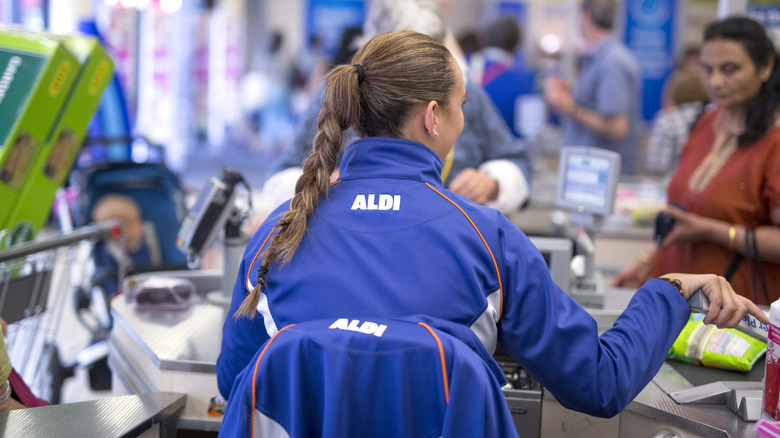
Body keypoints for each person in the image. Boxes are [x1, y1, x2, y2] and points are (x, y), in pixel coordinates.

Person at [217, 30, 766, 427]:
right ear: (434, 117)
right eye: (460, 107)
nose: (460, 120)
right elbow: (599, 385)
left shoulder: (278, 234)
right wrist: (668, 292)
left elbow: (236, 386)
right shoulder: (485, 236)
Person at [262, 0, 532, 215]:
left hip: (444, 238)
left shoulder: (461, 92)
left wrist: (493, 182)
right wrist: (320, 184)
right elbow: (280, 177)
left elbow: (517, 160)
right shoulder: (338, 92)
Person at [611, 16, 780, 306]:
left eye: (730, 70)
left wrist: (712, 231)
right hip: (676, 302)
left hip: (733, 314)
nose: (715, 81)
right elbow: (683, 215)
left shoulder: (774, 142)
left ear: (764, 66)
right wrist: (647, 261)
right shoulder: (704, 122)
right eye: (707, 69)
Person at [544, 0, 641, 175]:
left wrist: (570, 106)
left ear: (586, 18)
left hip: (602, 178)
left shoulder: (613, 62)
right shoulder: (598, 58)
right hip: (589, 174)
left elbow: (617, 127)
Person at [468, 15, 536, 139]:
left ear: (486, 38)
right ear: (516, 44)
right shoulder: (522, 82)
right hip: (503, 154)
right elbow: (532, 132)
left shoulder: (463, 66)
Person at [645, 68, 709, 175]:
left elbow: (657, 166)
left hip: (672, 184)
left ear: (673, 94)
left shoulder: (667, 120)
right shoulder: (711, 117)